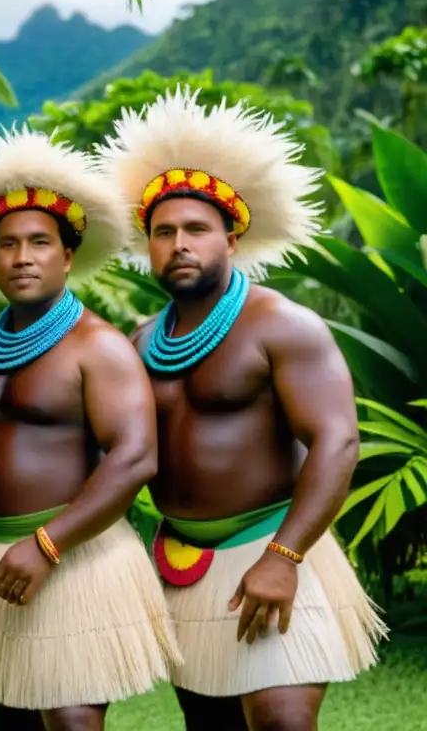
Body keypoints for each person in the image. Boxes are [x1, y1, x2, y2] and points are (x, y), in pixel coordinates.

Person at [93, 87, 388, 730]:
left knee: (283, 720)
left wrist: (284, 559)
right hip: (183, 562)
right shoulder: (143, 340)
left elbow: (337, 441)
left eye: (196, 229)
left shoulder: (284, 326)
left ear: (231, 234)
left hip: (277, 542)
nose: (179, 244)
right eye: (163, 232)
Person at [0, 127, 181, 731]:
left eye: (40, 243)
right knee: (10, 719)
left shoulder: (98, 347)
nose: (23, 257)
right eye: (8, 244)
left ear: (67, 256)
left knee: (72, 720)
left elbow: (134, 457)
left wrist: (49, 544)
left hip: (75, 555)